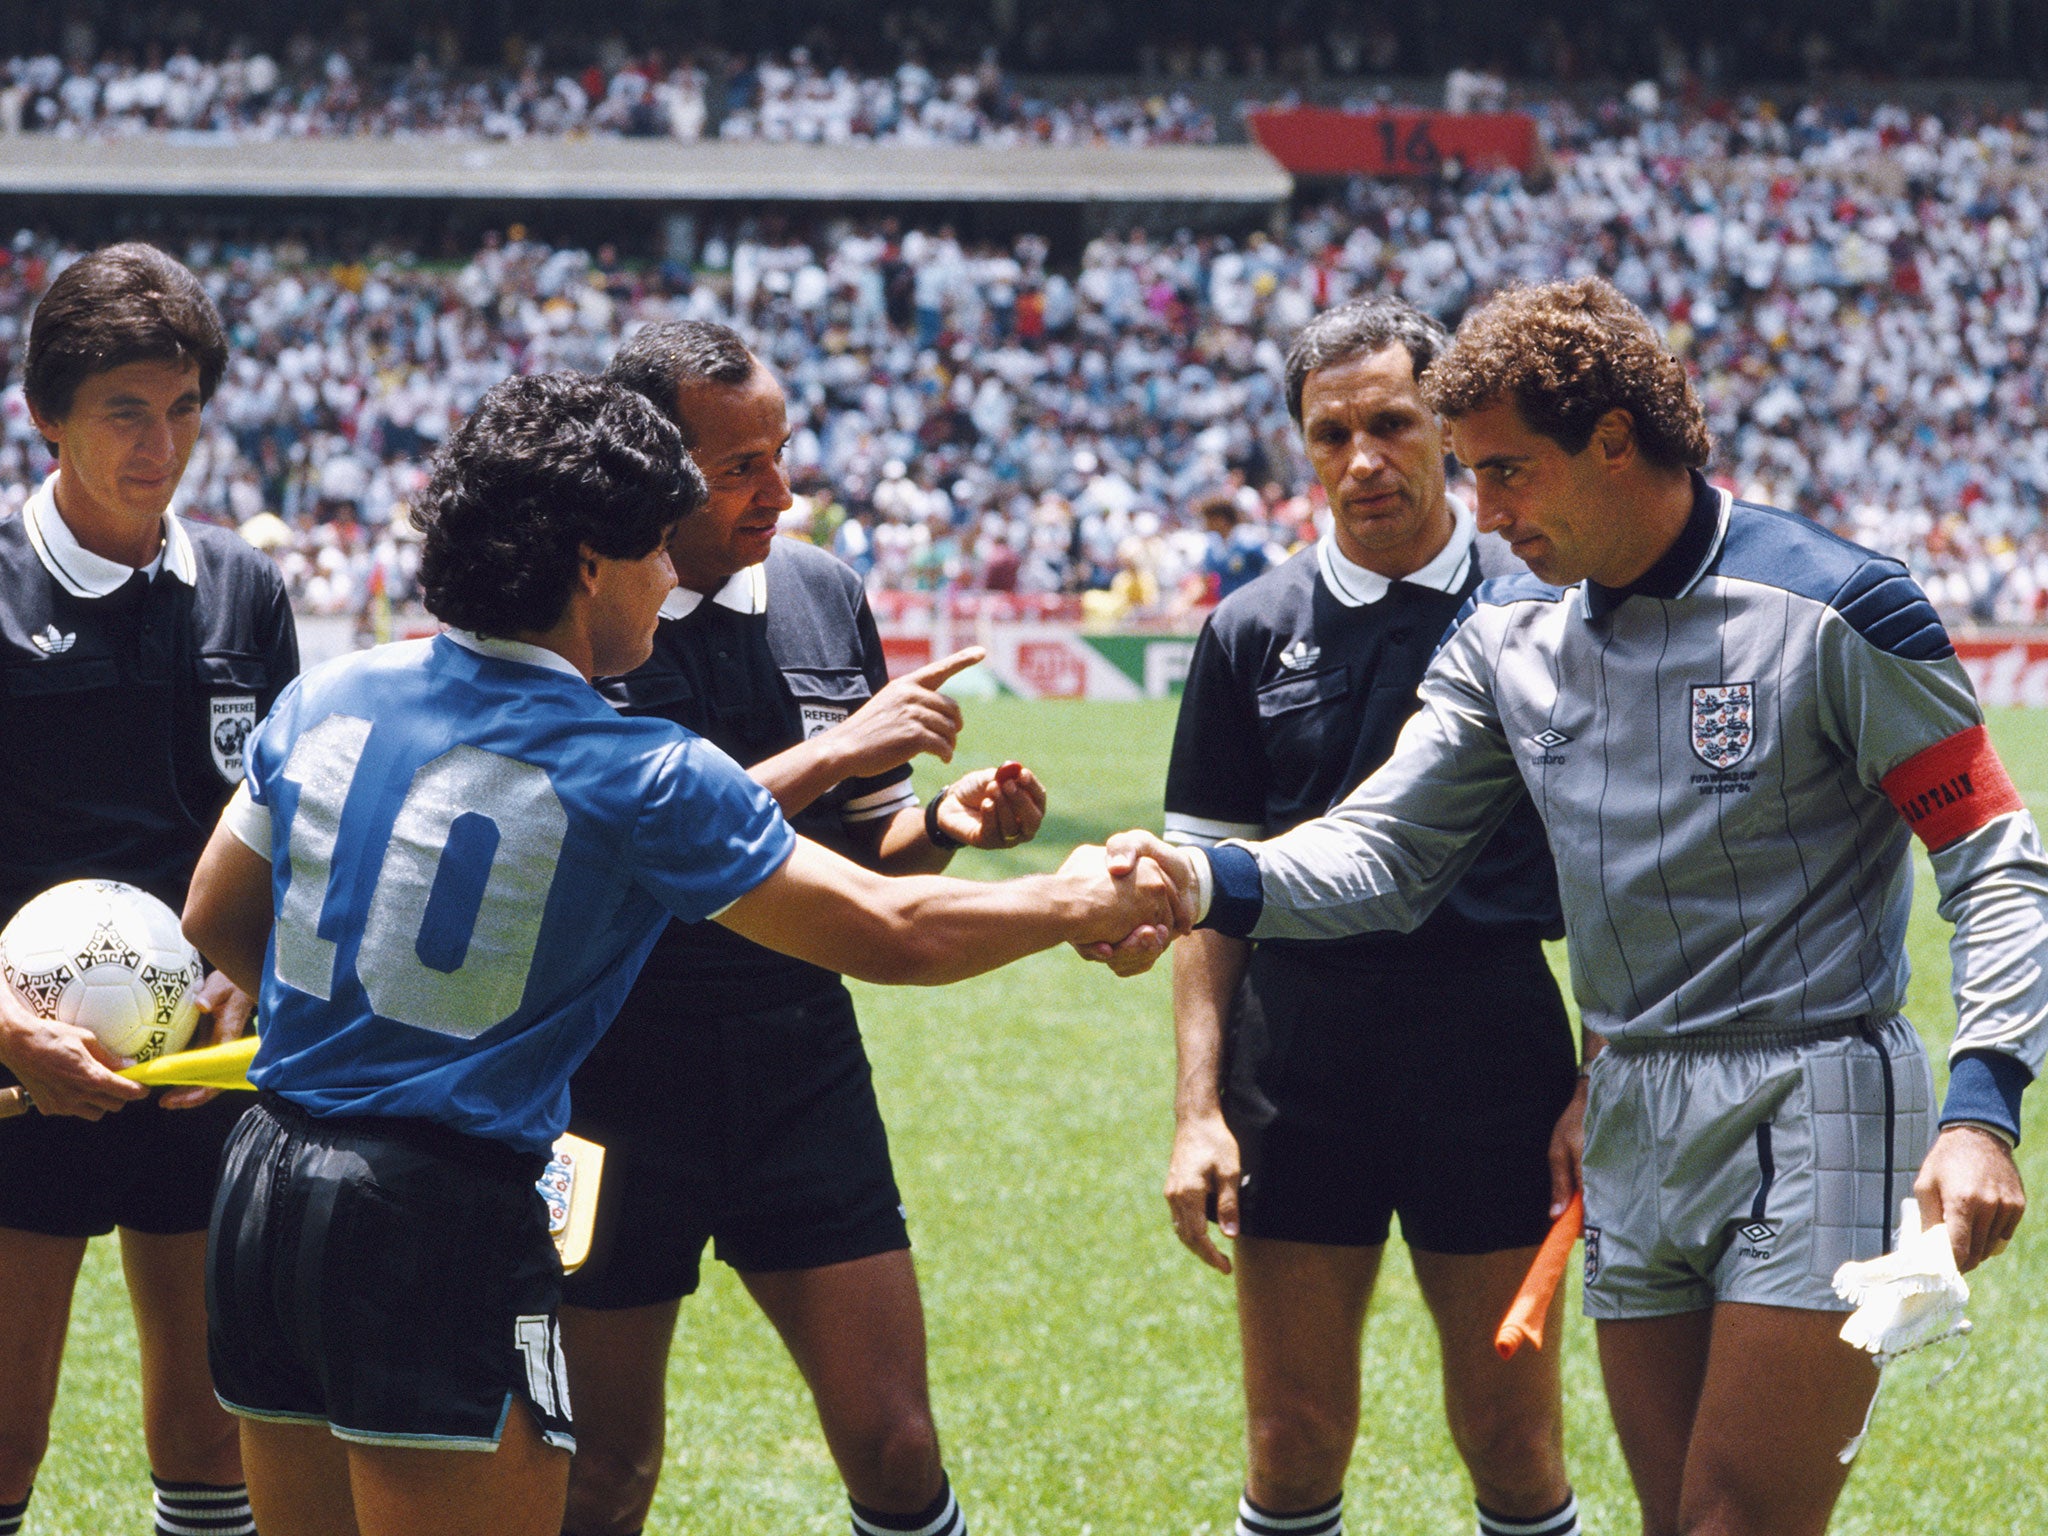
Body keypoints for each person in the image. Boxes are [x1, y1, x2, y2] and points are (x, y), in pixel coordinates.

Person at [1097, 277, 2043, 1536]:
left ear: (1611, 440)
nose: (1480, 511)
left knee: (1730, 1522)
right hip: (1632, 1110)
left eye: (1504, 473)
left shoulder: (1839, 607)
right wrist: (1205, 876)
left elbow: (1992, 856)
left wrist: (1982, 1107)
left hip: (1814, 1092)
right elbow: (1384, 849)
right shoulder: (1508, 639)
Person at [179, 371, 1180, 1536]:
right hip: (439, 1214)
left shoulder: (334, 692)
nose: (672, 574)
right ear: (591, 564)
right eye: (656, 546)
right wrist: (1077, 896)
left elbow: (216, 918)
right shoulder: (633, 767)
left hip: (265, 1184)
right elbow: (887, 932)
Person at [560, 321, 1048, 1536]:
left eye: (781, 456)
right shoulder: (580, 615)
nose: (780, 490)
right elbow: (632, 850)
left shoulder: (823, 589)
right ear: (648, 471)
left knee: (896, 1444)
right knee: (603, 1468)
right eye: (740, 469)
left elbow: (862, 847)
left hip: (796, 1058)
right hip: (603, 1081)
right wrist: (837, 745)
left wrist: (946, 820)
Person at [1162, 297, 1582, 1536]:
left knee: (1513, 1439)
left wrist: (1593, 1075)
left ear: (1445, 427)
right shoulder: (1247, 631)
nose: (1361, 459)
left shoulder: (1545, 615)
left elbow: (1624, 877)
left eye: (1391, 423)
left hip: (1494, 1046)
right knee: (1290, 1443)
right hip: (1298, 1056)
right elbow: (1208, 889)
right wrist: (1195, 1108)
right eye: (1328, 432)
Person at [0, 243, 296, 1536]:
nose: (161, 444)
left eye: (183, 410)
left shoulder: (245, 588)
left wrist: (254, 974)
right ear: (46, 414)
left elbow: (290, 830)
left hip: (204, 1075)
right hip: (19, 1072)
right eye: (126, 409)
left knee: (211, 1415)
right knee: (5, 1428)